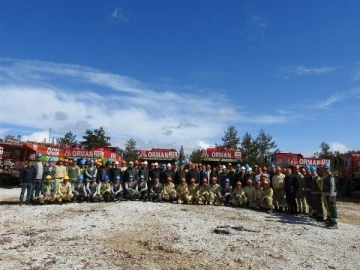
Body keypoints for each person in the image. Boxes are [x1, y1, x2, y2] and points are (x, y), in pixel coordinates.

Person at [322, 163, 338, 229]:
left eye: (327, 168)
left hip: (331, 194)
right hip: (327, 194)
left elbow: (332, 186)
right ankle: (331, 220)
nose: (325, 170)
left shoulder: (331, 176)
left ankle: (334, 223)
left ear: (329, 168)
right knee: (330, 208)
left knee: (333, 208)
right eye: (325, 168)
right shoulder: (326, 175)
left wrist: (331, 195)